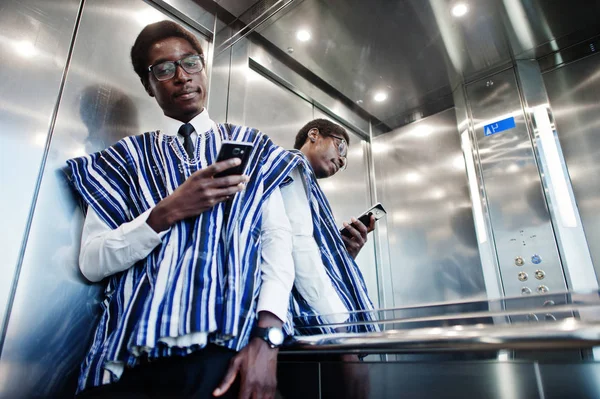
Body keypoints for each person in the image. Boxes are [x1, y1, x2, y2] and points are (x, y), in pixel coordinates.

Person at [67, 21, 300, 398]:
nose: (181, 76)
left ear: (204, 69)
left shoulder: (252, 146)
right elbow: (92, 261)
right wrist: (164, 213)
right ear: (149, 85)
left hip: (221, 355)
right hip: (126, 359)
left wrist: (267, 340)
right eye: (164, 69)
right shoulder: (124, 159)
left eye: (190, 63)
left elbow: (276, 244)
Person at [281, 119, 378, 335]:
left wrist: (345, 255)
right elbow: (299, 245)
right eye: (340, 146)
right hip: (313, 316)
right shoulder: (291, 166)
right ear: (314, 135)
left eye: (345, 160)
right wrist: (335, 317)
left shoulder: (311, 191)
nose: (342, 161)